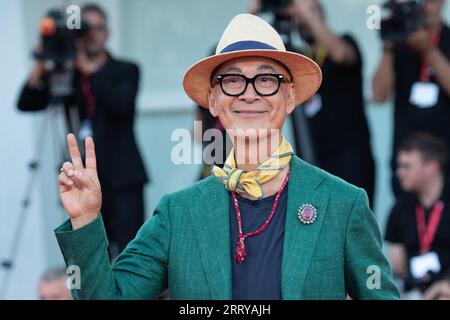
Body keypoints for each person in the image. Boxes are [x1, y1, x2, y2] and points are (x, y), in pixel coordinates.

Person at [54, 14, 399, 299]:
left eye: (267, 79)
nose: (249, 94)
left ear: (291, 97)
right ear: (215, 102)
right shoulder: (180, 212)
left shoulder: (342, 203)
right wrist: (85, 219)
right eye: (232, 81)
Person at [17, 4, 149, 258]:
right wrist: (44, 62)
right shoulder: (67, 75)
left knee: (132, 252)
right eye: (85, 29)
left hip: (123, 177)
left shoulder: (126, 69)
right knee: (92, 253)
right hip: (82, 179)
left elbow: (121, 106)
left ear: (107, 33)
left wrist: (87, 68)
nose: (92, 35)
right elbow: (26, 102)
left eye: (98, 28)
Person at [287, 0, 375, 207]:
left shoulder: (346, 42)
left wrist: (308, 14)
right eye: (297, 14)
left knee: (351, 224)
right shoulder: (298, 59)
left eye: (310, 11)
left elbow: (341, 54)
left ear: (322, 17)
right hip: (310, 158)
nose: (302, 16)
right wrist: (256, 9)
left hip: (350, 157)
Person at [372, 0, 450, 198]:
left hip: (445, 156)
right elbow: (379, 95)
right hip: (406, 158)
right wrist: (389, 45)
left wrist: (428, 50)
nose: (425, 7)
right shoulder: (400, 44)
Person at [385, 132, 450, 294]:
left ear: (432, 167)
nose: (399, 172)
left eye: (407, 166)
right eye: (399, 166)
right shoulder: (400, 209)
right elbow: (396, 269)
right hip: (414, 293)